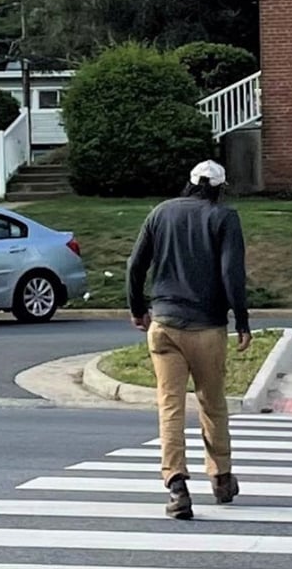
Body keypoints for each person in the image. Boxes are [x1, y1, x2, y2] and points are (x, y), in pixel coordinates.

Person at [126, 159, 252, 520]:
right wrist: (241, 320)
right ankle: (221, 478)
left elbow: (136, 265)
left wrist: (138, 309)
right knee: (212, 402)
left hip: (163, 324)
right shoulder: (224, 218)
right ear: (218, 188)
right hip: (207, 328)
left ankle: (177, 487)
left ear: (190, 183)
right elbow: (232, 273)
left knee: (170, 406)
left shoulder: (160, 213)